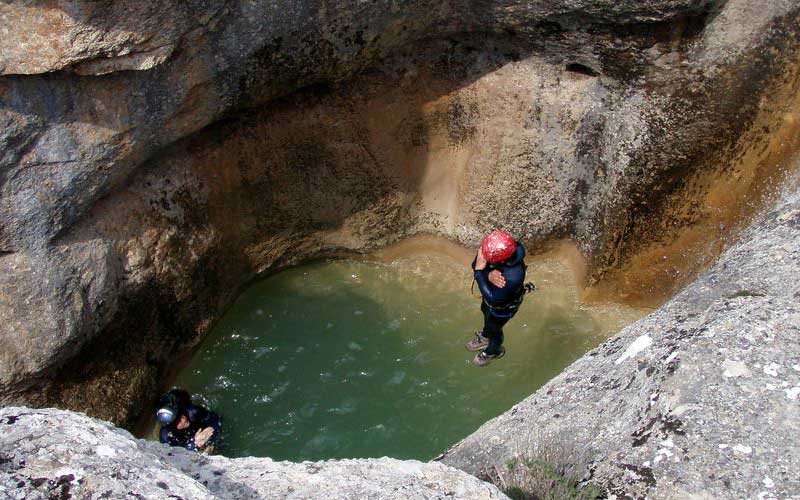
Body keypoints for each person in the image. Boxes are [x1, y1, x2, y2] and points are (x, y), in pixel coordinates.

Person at [467, 230, 528, 366]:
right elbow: (476, 264)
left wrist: (479, 273)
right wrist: (488, 274)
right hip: (491, 299)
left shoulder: (513, 275)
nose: (482, 254)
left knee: (495, 327)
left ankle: (494, 350)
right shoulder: (491, 248)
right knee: (485, 311)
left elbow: (494, 299)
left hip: (503, 307)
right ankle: (486, 336)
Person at [156, 389, 221, 453]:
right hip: (188, 444)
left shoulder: (193, 412)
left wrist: (210, 436)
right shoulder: (166, 436)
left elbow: (216, 419)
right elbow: (174, 457)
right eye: (178, 422)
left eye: (180, 415)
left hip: (201, 431)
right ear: (171, 427)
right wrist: (195, 443)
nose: (183, 420)